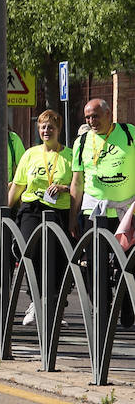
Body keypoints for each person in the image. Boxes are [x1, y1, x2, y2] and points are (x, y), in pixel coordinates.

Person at [68, 98, 135, 329]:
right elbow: (77, 182)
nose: (91, 121)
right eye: (87, 117)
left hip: (127, 209)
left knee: (129, 262)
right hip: (95, 210)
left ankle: (127, 303)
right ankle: (102, 309)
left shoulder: (129, 133)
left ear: (108, 114)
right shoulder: (82, 141)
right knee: (95, 263)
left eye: (95, 116)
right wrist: (72, 216)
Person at [7, 109, 72, 327]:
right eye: (43, 127)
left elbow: (78, 186)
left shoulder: (69, 155)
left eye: (51, 127)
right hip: (32, 208)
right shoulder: (30, 154)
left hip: (59, 210)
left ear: (58, 129)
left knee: (58, 258)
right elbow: (18, 185)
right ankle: (36, 300)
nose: (46, 130)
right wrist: (4, 211)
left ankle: (54, 305)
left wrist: (63, 188)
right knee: (31, 252)